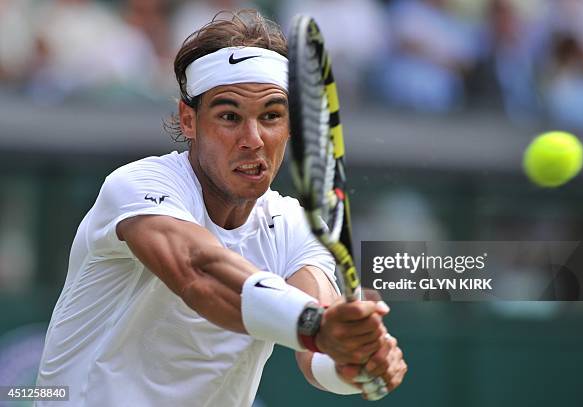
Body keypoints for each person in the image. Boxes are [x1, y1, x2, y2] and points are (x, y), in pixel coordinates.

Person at [35, 9, 407, 407]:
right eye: (230, 116)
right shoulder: (137, 187)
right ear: (188, 120)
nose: (253, 139)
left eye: (271, 117)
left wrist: (356, 361)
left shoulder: (294, 227)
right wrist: (317, 326)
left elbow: (319, 354)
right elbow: (199, 273)